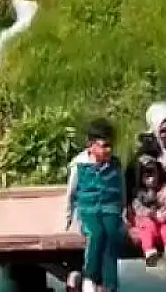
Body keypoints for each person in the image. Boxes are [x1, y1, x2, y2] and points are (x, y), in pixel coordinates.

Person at [64, 118, 127, 292]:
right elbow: (71, 193)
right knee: (97, 234)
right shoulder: (80, 165)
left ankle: (109, 285)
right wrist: (68, 220)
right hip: (88, 209)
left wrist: (124, 212)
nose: (108, 150)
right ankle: (90, 276)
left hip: (110, 209)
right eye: (104, 145)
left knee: (112, 234)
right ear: (91, 145)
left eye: (110, 146)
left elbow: (122, 189)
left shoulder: (115, 165)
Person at [129, 155, 166, 265]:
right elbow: (137, 208)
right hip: (147, 218)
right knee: (146, 227)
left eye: (154, 174)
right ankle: (149, 250)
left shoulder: (162, 189)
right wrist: (151, 214)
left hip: (161, 218)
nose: (152, 179)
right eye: (147, 176)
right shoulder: (138, 193)